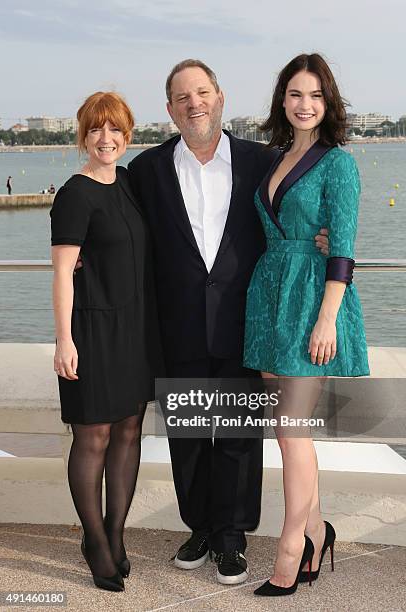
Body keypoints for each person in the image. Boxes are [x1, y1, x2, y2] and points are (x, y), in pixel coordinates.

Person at [127, 59, 330, 585]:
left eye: (202, 92)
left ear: (220, 97)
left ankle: (233, 537)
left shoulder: (262, 159)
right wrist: (82, 255)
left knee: (239, 435)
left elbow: (299, 209)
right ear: (169, 109)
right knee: (189, 435)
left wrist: (320, 238)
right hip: (179, 322)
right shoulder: (147, 170)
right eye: (181, 97)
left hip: (247, 320)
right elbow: (124, 232)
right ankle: (199, 527)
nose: (193, 103)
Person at [243, 53, 369, 597]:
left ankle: (292, 546)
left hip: (313, 303)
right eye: (296, 94)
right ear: (282, 100)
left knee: (292, 432)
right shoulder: (272, 160)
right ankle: (318, 531)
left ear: (329, 102)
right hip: (272, 301)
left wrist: (327, 320)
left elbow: (342, 249)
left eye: (315, 96)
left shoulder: (338, 163)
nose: (304, 105)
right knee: (284, 430)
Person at [51, 91, 163, 592]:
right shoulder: (74, 193)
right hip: (92, 330)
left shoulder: (132, 184)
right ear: (84, 135)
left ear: (127, 135)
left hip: (136, 329)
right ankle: (93, 540)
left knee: (128, 433)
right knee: (92, 436)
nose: (106, 138)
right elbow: (60, 275)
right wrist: (63, 340)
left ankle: (116, 534)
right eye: (96, 129)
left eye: (115, 129)